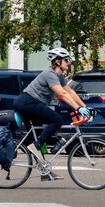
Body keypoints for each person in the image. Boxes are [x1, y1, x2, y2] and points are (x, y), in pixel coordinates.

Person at [12, 47, 90, 181]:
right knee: (57, 121)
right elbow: (62, 94)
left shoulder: (59, 77)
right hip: (27, 102)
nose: (68, 62)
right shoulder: (50, 74)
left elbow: (70, 92)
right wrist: (77, 109)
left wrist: (85, 107)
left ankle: (44, 171)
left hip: (31, 103)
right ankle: (35, 147)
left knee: (37, 135)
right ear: (58, 62)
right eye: (66, 60)